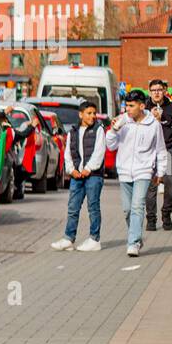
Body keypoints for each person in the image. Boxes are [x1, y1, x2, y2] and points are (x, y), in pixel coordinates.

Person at [106, 89, 169, 258]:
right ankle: (137, 237)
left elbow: (161, 150)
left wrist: (161, 172)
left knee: (137, 206)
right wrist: (113, 130)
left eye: (131, 106)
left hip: (144, 171)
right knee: (127, 210)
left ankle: (133, 243)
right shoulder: (122, 122)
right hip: (124, 171)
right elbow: (111, 146)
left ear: (141, 106)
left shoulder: (153, 125)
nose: (128, 109)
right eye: (126, 105)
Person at [51, 100, 105, 252]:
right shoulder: (73, 131)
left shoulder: (99, 130)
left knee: (93, 207)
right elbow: (68, 153)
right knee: (73, 207)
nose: (93, 116)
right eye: (89, 113)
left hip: (93, 175)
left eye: (94, 113)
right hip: (77, 175)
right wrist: (71, 170)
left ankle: (95, 239)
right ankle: (69, 238)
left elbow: (99, 152)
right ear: (81, 115)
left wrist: (88, 169)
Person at [145, 78, 172, 230]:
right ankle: (151, 219)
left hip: (167, 150)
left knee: (170, 182)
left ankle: (166, 214)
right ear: (150, 92)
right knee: (151, 186)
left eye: (159, 90)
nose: (157, 93)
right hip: (149, 152)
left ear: (164, 91)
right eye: (154, 90)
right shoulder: (145, 108)